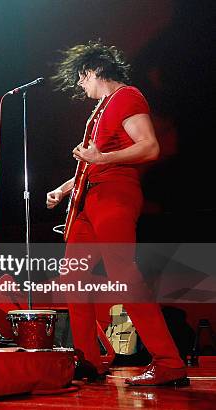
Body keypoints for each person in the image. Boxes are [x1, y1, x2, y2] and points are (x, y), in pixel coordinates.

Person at [47, 41, 188, 386]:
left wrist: (101, 160)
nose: (81, 88)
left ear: (92, 72)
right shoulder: (101, 110)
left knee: (124, 273)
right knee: (72, 278)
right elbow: (92, 163)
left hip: (114, 196)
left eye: (81, 80)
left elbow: (149, 146)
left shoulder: (128, 97)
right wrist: (63, 190)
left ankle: (170, 363)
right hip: (87, 200)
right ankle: (89, 361)